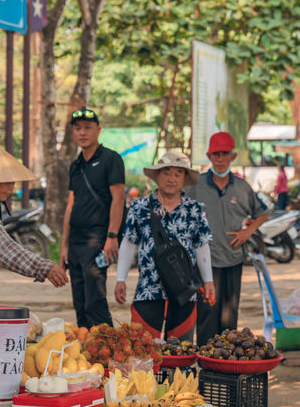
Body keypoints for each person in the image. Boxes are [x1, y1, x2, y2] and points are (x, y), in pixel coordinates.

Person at [114, 151, 215, 340]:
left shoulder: (195, 210)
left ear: (184, 178)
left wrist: (208, 281)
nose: (172, 179)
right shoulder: (139, 208)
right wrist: (121, 279)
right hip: (148, 291)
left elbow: (202, 247)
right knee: (143, 355)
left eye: (178, 174)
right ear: (157, 176)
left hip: (184, 292)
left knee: (180, 353)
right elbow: (128, 243)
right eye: (166, 172)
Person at [187, 131, 269, 344]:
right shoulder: (196, 185)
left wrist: (247, 232)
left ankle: (226, 363)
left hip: (233, 259)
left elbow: (263, 212)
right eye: (216, 154)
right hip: (206, 264)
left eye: (225, 154)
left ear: (233, 156)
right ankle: (206, 362)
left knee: (229, 316)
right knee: (206, 314)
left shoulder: (242, 187)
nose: (220, 159)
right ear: (209, 156)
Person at [0, 145, 68, 303]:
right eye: (6, 181)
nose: (11, 187)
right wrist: (43, 267)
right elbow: (2, 248)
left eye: (13, 181)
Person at [60, 108, 125, 329]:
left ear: (98, 130)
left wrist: (112, 236)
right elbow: (70, 204)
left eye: (88, 128)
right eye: (77, 128)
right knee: (79, 302)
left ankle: (106, 352)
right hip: (76, 241)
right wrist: (64, 245)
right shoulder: (75, 165)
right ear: (72, 132)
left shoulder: (111, 159)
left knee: (94, 300)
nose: (82, 133)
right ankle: (86, 352)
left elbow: (119, 198)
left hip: (98, 239)